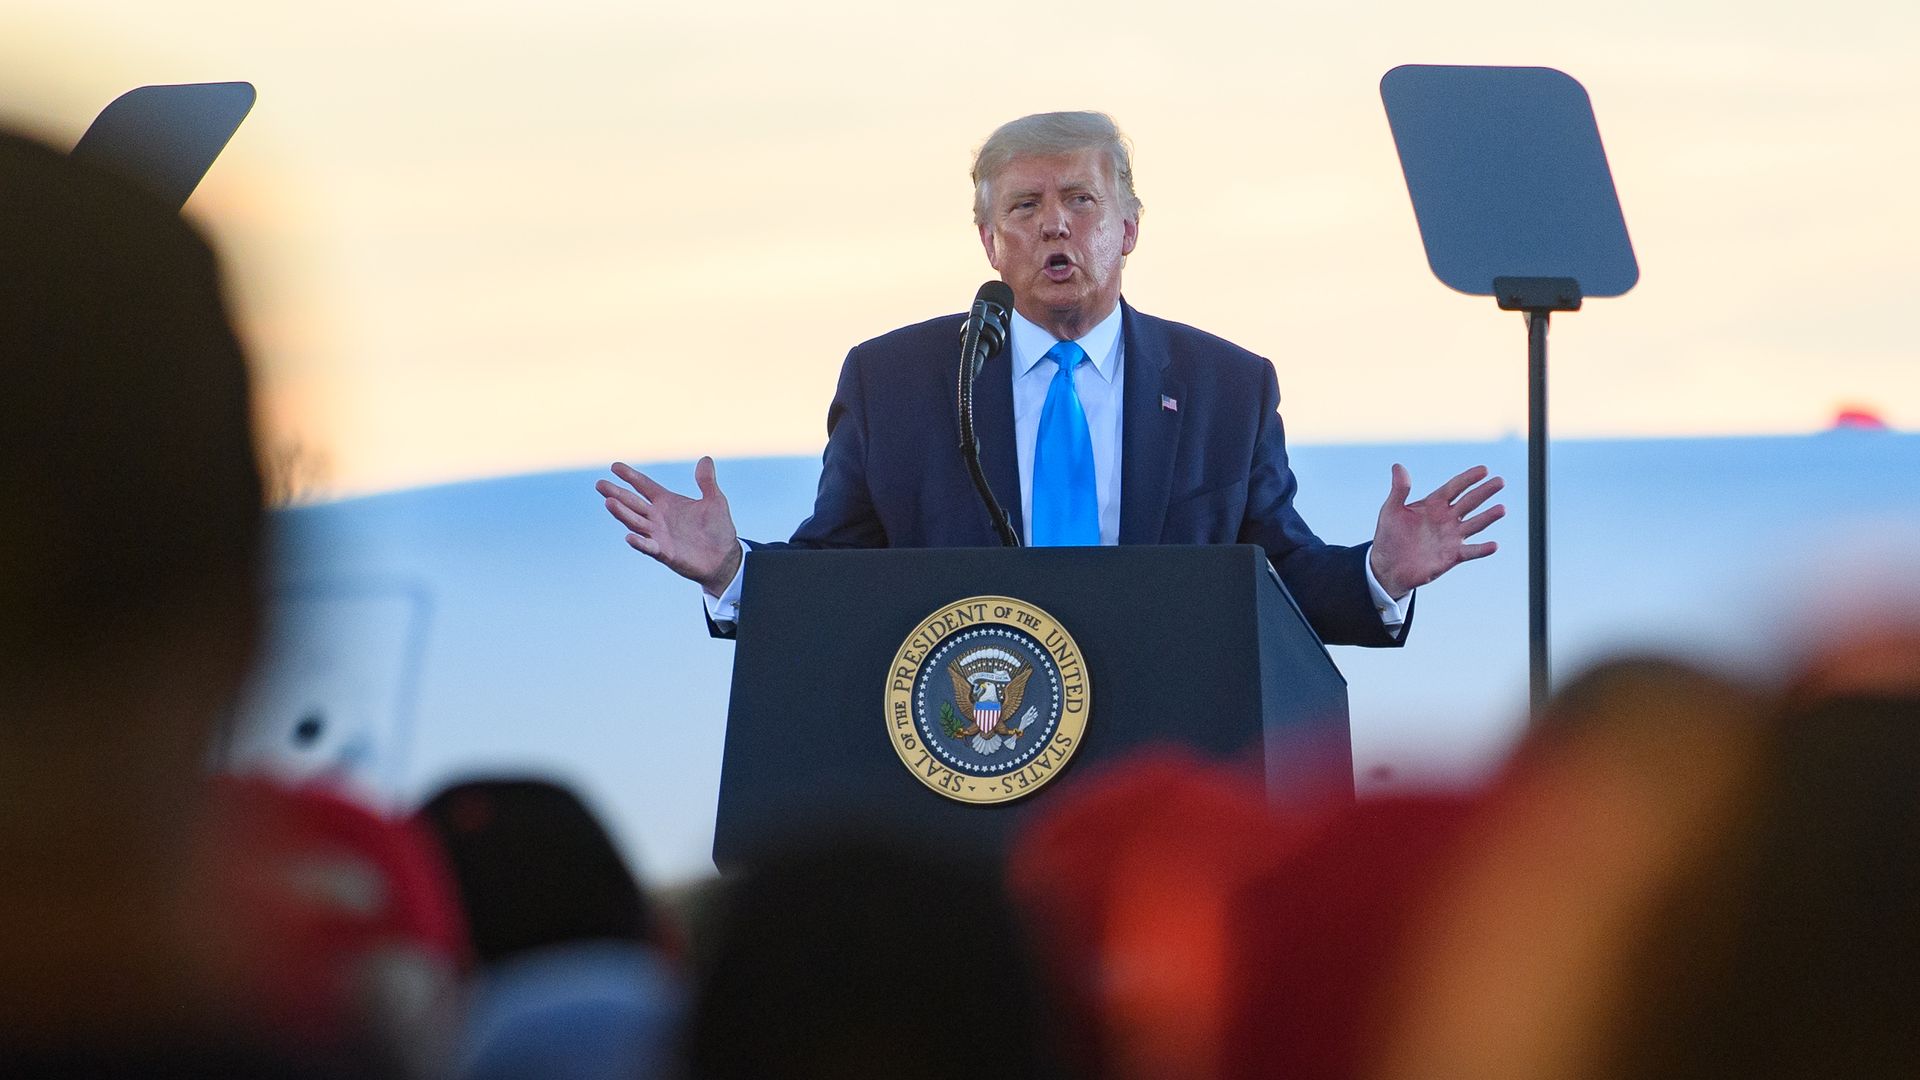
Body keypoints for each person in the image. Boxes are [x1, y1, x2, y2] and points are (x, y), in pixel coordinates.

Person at [597, 111, 1502, 645]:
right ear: (990, 242)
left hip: (1163, 757)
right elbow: (842, 572)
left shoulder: (1228, 385)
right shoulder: (900, 381)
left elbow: (1270, 577)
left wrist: (1380, 573)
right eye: (1025, 208)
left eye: (1080, 201)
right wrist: (730, 569)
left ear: (1130, 228)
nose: (1055, 228)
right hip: (967, 753)